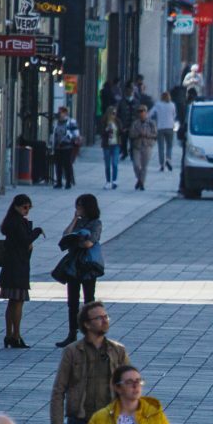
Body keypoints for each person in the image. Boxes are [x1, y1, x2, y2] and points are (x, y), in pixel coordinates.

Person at [55, 194, 103, 347]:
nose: (78, 209)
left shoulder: (96, 223)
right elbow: (66, 235)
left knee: (89, 300)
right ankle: (72, 333)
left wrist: (78, 241)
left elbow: (89, 243)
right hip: (74, 266)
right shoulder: (78, 222)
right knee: (72, 301)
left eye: (80, 206)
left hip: (88, 265)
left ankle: (90, 334)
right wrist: (74, 219)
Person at [0, 195, 43, 349]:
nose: (27, 210)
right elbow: (25, 240)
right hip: (18, 267)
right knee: (17, 302)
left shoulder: (10, 221)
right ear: (16, 206)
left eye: (29, 207)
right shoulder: (17, 222)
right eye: (24, 207)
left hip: (10, 267)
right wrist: (37, 231)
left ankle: (9, 335)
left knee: (12, 302)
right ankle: (15, 336)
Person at [49, 106, 80, 189]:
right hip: (57, 147)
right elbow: (53, 133)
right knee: (58, 164)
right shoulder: (56, 123)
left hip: (67, 146)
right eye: (59, 112)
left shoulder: (71, 122)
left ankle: (68, 182)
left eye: (61, 112)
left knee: (67, 164)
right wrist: (52, 142)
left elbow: (76, 134)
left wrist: (69, 138)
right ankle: (59, 182)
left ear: (65, 113)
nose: (59, 114)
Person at [128, 105, 156, 190]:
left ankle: (142, 183)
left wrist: (147, 135)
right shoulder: (135, 123)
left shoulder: (151, 123)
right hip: (137, 146)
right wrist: (138, 135)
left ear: (146, 112)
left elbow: (155, 134)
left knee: (144, 166)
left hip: (147, 145)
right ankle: (139, 179)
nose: (141, 113)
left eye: (143, 111)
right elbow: (131, 134)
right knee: (136, 165)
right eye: (139, 111)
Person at [148, 91, 176, 172]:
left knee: (161, 147)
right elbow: (174, 115)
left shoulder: (158, 104)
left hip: (160, 127)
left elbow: (150, 114)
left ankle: (162, 164)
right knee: (169, 145)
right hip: (170, 127)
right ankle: (168, 159)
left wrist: (152, 120)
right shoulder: (172, 105)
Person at [99, 107, 121, 190]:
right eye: (112, 113)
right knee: (107, 165)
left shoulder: (117, 121)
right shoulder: (104, 122)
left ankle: (114, 181)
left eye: (115, 113)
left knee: (115, 163)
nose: (114, 115)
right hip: (107, 145)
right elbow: (101, 133)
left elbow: (121, 131)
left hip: (115, 144)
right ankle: (108, 181)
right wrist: (107, 129)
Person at [117, 83, 138, 160]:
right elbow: (118, 113)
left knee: (133, 141)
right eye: (128, 91)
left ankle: (132, 154)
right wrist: (120, 124)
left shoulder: (136, 102)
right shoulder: (121, 102)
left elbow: (138, 113)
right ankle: (124, 152)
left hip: (133, 125)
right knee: (124, 140)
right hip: (124, 124)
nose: (129, 93)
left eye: (131, 91)